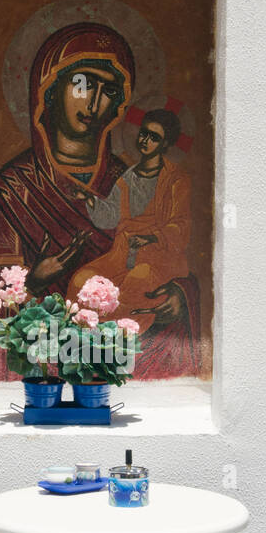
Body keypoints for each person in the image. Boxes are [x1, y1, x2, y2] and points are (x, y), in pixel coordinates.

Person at [0, 21, 134, 382]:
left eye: (108, 91)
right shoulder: (8, 195)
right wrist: (36, 281)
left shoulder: (131, 188)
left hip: (109, 365)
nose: (93, 102)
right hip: (39, 373)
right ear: (49, 90)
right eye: (81, 84)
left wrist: (176, 297)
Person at [68, 109, 201, 375]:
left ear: (165, 144)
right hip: (122, 253)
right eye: (144, 133)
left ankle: (116, 357)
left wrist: (152, 236)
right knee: (81, 280)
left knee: (133, 285)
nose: (145, 140)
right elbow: (110, 216)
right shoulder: (127, 178)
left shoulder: (176, 180)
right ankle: (86, 351)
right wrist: (91, 200)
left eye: (154, 137)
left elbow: (181, 226)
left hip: (158, 258)